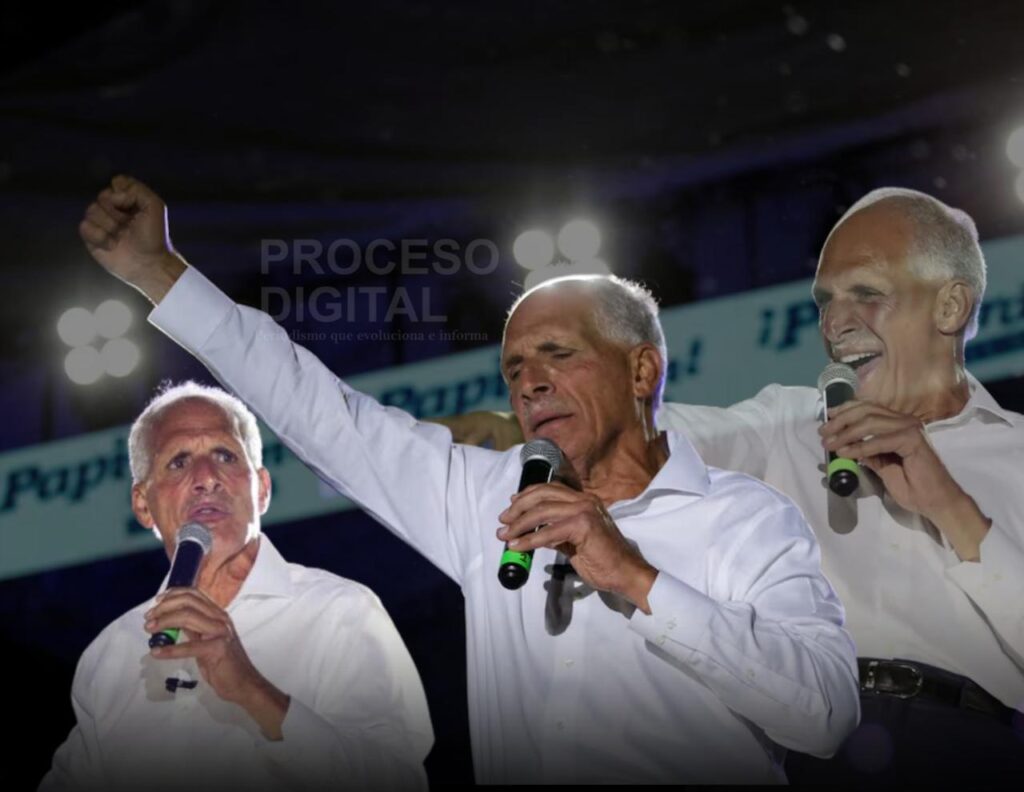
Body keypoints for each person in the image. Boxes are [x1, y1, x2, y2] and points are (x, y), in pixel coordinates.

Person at [79, 175, 860, 784]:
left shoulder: (744, 519)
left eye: (558, 355)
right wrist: (160, 273)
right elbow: (320, 411)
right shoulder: (484, 498)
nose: (531, 383)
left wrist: (635, 576)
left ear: (641, 370)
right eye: (514, 369)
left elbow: (825, 715)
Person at [441, 188, 1024, 780]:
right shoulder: (785, 425)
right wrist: (506, 425)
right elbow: (624, 429)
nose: (835, 323)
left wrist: (948, 503)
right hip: (815, 744)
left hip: (966, 747)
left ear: (950, 306)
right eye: (825, 301)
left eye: (867, 294)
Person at [40, 382, 433, 792]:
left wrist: (254, 691)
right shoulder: (111, 653)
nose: (206, 478)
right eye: (178, 462)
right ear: (143, 504)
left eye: (225, 456)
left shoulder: (340, 612)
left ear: (261, 489)